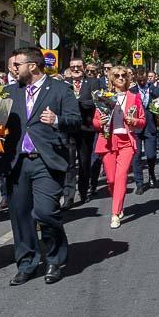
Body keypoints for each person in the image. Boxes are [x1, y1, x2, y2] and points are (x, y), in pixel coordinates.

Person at [0, 47, 81, 286]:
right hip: (17, 161)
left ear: (32, 66)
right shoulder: (8, 92)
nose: (13, 69)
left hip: (46, 160)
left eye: (17, 65)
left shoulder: (60, 89)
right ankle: (27, 263)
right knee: (20, 215)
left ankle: (55, 259)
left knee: (45, 212)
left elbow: (76, 121)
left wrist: (57, 120)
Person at [94, 66, 145, 229]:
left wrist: (134, 121)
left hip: (126, 142)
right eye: (117, 75)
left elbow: (142, 120)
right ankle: (119, 203)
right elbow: (95, 121)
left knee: (121, 176)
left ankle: (115, 213)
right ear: (111, 78)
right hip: (108, 140)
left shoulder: (134, 97)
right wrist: (100, 122)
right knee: (111, 180)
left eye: (124, 75)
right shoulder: (104, 96)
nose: (121, 77)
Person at [62, 57, 100, 208]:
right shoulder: (64, 84)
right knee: (69, 163)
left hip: (86, 129)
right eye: (73, 67)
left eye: (78, 66)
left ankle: (83, 191)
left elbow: (94, 102)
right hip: (69, 129)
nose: (76, 69)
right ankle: (68, 197)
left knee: (84, 162)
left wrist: (76, 103)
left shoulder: (92, 82)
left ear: (84, 68)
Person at [131, 70, 159, 193]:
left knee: (151, 155)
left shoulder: (154, 90)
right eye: (139, 78)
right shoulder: (132, 91)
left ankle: (151, 173)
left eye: (144, 77)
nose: (142, 80)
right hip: (136, 128)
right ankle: (139, 183)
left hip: (150, 126)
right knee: (136, 156)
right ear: (136, 78)